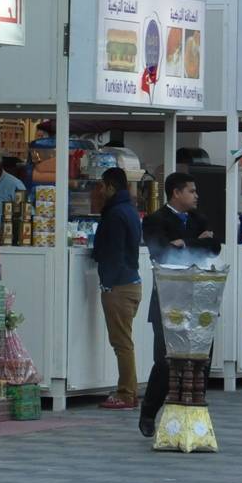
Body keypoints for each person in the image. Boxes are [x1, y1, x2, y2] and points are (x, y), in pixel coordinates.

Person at [137, 172, 221, 437]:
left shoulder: (199, 218)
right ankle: (149, 411)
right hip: (168, 303)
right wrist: (198, 242)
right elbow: (160, 251)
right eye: (191, 191)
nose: (196, 196)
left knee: (200, 361)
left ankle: (194, 414)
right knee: (165, 362)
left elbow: (214, 247)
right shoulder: (155, 220)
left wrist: (185, 242)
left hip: (199, 304)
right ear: (176, 193)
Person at [90, 167, 142, 410]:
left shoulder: (114, 214)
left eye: (102, 185)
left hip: (118, 286)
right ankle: (129, 389)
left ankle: (127, 392)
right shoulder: (128, 210)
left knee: (121, 343)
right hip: (130, 282)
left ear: (111, 186)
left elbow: (111, 251)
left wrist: (108, 284)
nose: (99, 190)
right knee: (124, 341)